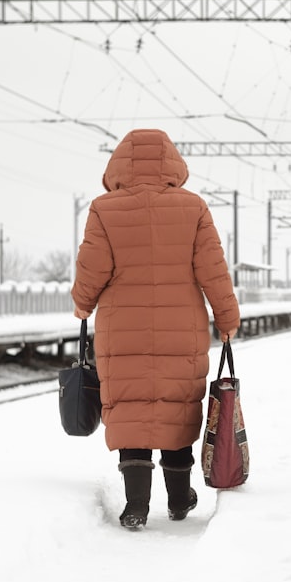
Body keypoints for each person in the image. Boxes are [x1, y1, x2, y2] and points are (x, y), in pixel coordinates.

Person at [72, 128, 240, 531]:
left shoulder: (103, 209)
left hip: (122, 327)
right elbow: (213, 272)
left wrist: (82, 304)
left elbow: (91, 270)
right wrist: (228, 318)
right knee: (177, 408)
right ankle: (180, 499)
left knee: (130, 408)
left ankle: (136, 505)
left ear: (118, 165)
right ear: (172, 164)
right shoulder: (193, 207)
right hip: (181, 327)